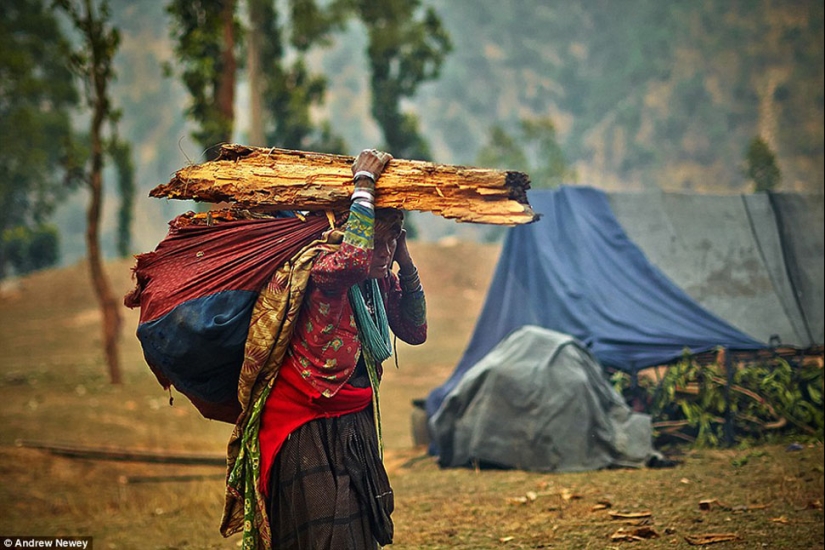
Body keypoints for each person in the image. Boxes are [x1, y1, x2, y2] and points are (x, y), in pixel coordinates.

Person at [231, 148, 428, 549]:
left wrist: (404, 260)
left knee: (357, 533)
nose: (383, 253)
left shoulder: (378, 282)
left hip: (352, 421)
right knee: (322, 536)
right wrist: (364, 185)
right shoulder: (324, 268)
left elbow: (415, 330)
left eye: (391, 241)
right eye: (378, 241)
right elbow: (353, 258)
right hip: (305, 426)